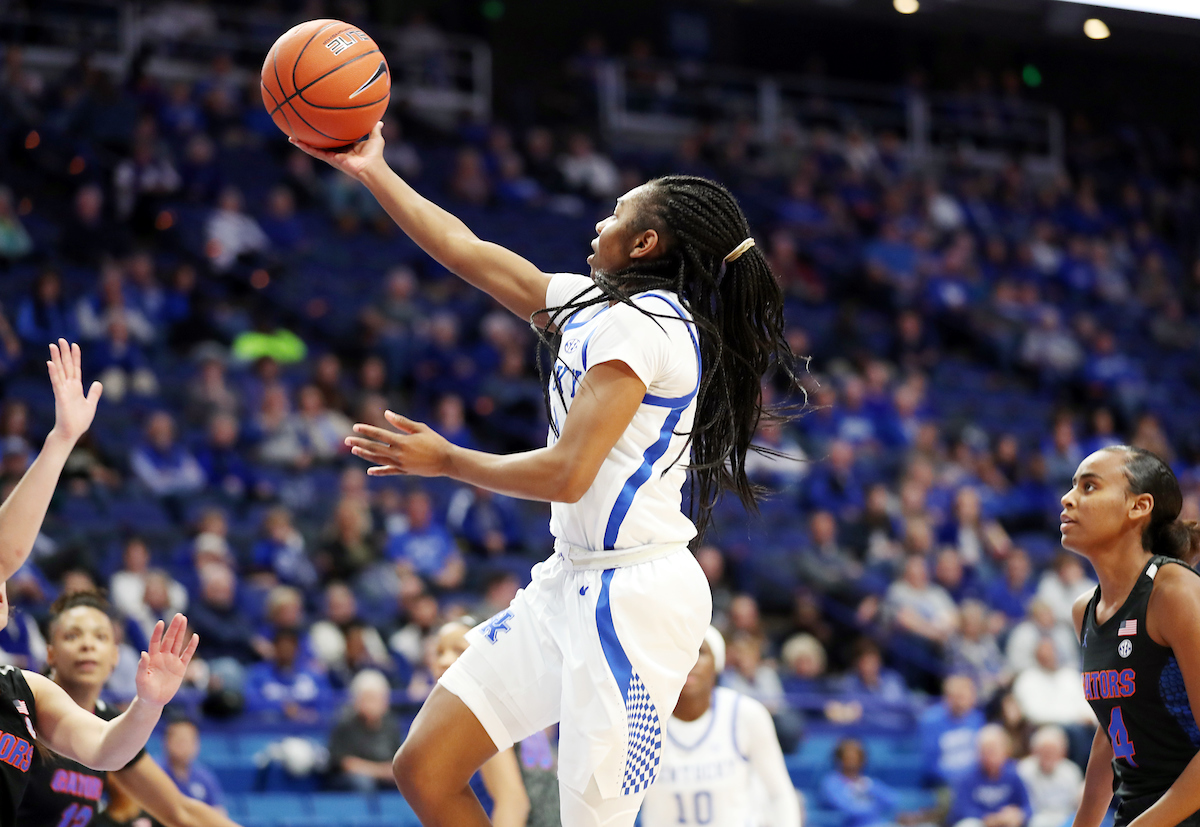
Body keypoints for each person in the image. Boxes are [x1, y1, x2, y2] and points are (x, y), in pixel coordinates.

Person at [293, 116, 804, 827]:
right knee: (426, 768)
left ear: (645, 244)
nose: (600, 222)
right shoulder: (596, 305)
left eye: (616, 214)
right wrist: (373, 169)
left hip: (634, 598)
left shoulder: (647, 325)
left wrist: (449, 460)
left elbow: (568, 474)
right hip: (572, 577)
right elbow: (467, 250)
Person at [0, 340, 198, 823]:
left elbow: (107, 750)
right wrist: (61, 440)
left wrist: (148, 705)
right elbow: (9, 551)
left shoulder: (24, 691)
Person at [16, 590, 236, 827]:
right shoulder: (22, 706)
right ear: (50, 653)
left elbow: (180, 811)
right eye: (72, 636)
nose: (87, 645)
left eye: (100, 637)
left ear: (115, 656)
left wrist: (150, 702)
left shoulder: (110, 723)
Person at [1064, 446, 1200, 827]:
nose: (1068, 498)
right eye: (1072, 486)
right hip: (1142, 810)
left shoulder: (1174, 592)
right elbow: (1112, 730)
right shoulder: (1084, 610)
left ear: (1139, 506)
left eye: (1089, 487)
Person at [639, 627, 801, 827]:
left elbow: (779, 794)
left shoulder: (746, 714)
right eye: (680, 652)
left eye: (700, 652)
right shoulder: (642, 719)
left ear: (718, 663)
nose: (689, 661)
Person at [432, 617, 560, 827]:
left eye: (459, 651)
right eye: (439, 652)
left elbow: (514, 804)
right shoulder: (512, 705)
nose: (444, 660)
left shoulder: (482, 715)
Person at [327, 669, 404, 793]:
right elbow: (345, 764)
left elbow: (397, 760)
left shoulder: (391, 725)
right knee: (363, 782)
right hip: (351, 780)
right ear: (356, 700)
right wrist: (379, 772)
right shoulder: (344, 725)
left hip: (384, 777)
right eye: (368, 698)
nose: (372, 704)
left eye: (377, 698)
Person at [946, 725, 1031, 827]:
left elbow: (1028, 807)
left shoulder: (1014, 773)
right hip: (981, 822)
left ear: (1005, 751)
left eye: (993, 750)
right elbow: (961, 810)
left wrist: (1019, 814)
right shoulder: (967, 776)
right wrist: (986, 817)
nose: (989, 756)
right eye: (984, 751)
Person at [819, 738, 900, 827]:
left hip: (878, 823)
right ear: (839, 760)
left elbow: (892, 800)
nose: (852, 762)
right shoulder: (831, 782)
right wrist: (873, 807)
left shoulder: (868, 782)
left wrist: (869, 787)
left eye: (856, 758)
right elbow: (846, 808)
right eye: (848, 758)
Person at [1016, 726, 1082, 827]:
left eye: (1053, 751)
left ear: (1062, 752)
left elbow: (1077, 804)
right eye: (1044, 751)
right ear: (1034, 751)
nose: (1048, 755)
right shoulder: (1023, 770)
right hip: (1035, 819)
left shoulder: (1071, 771)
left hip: (1066, 819)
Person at [160, 717, 226, 812]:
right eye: (180, 740)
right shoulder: (154, 771)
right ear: (166, 742)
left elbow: (218, 811)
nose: (184, 746)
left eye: (189, 740)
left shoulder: (204, 777)